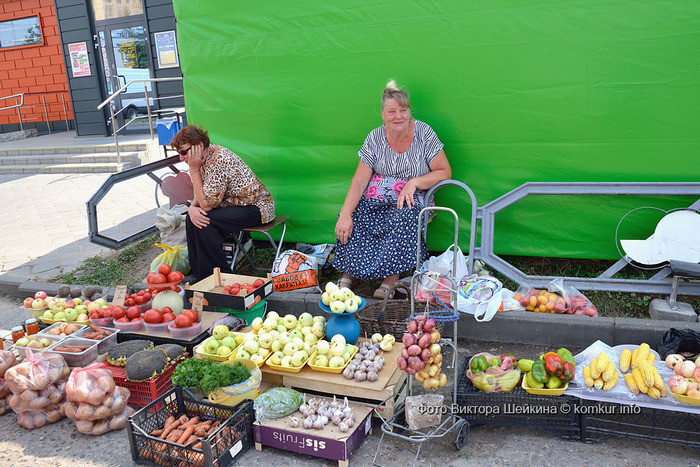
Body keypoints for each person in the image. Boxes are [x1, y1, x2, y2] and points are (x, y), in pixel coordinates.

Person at [333, 80, 452, 299]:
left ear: (409, 112)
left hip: (410, 198)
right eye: (392, 111)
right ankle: (350, 273)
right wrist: (346, 215)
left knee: (405, 216)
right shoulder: (375, 137)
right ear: (383, 114)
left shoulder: (424, 133)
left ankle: (390, 280)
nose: (398, 116)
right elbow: (359, 181)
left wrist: (413, 182)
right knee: (352, 213)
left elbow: (444, 171)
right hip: (376, 197)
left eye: (403, 110)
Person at [171, 125, 275, 281]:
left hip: (257, 208)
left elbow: (207, 204)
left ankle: (219, 278)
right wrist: (192, 209)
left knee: (206, 220)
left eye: (184, 152)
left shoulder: (218, 159)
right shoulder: (202, 158)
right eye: (179, 153)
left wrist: (193, 171)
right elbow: (202, 194)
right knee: (192, 218)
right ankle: (199, 275)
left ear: (199, 146)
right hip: (236, 207)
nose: (181, 157)